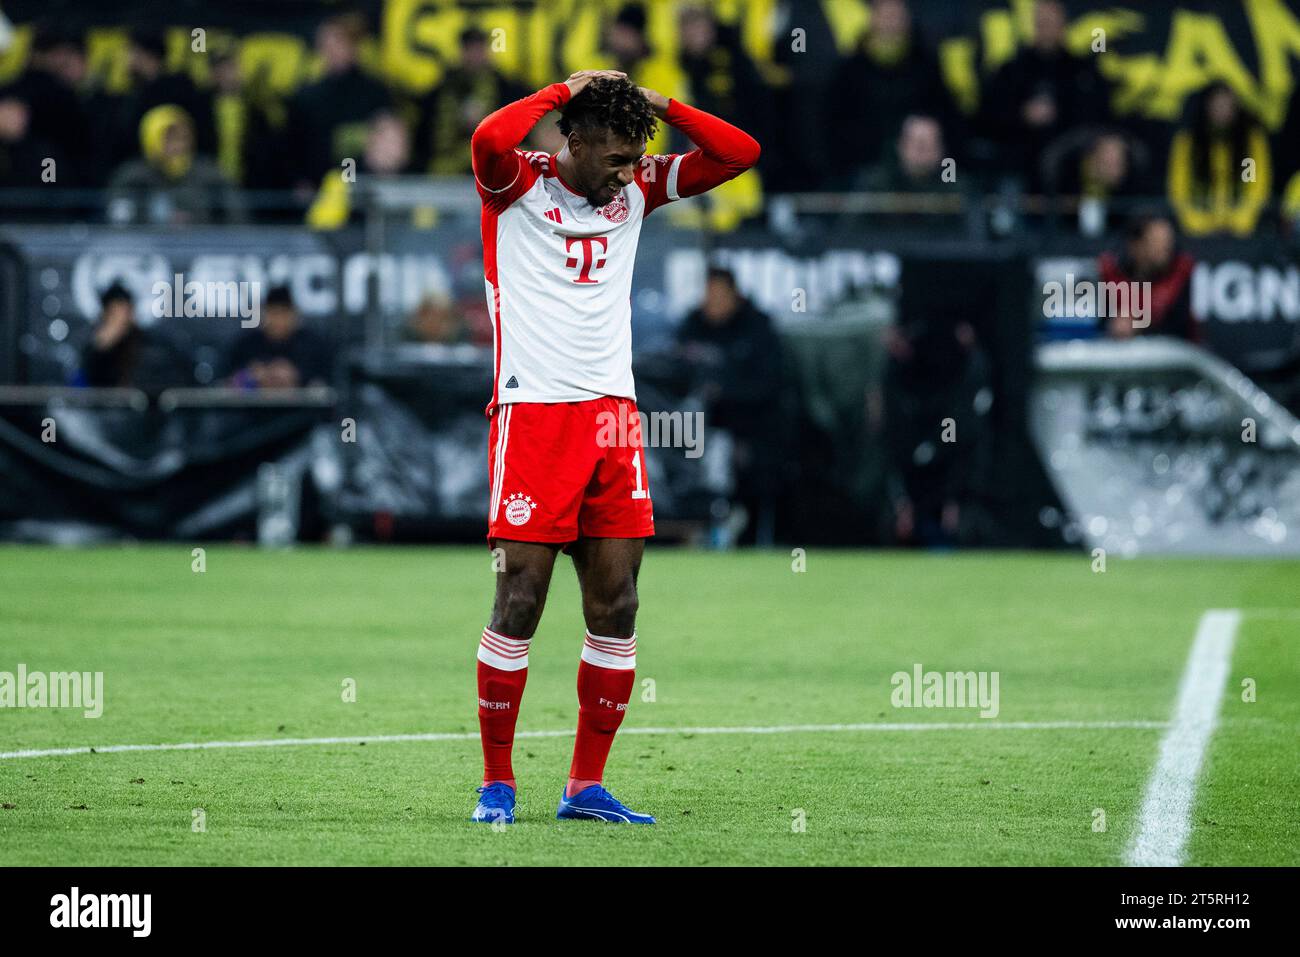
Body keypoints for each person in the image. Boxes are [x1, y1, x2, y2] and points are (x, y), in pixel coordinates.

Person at [468, 71, 759, 825]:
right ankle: (497, 782)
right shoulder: (513, 184)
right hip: (532, 416)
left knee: (619, 602)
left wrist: (662, 106)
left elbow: (740, 153)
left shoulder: (638, 189)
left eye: (638, 157)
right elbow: (487, 138)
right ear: (574, 136)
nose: (627, 172)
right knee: (520, 598)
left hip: (614, 422)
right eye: (615, 156)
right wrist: (562, 87)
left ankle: (584, 785)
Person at [676, 266, 782, 545]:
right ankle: (689, 528)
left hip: (747, 429)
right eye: (708, 294)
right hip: (690, 430)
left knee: (721, 455)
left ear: (735, 295)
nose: (712, 301)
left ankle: (728, 527)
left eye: (719, 295)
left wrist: (722, 392)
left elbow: (769, 386)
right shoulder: (692, 325)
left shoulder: (757, 327)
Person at [106, 105, 246, 225]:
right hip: (146, 248)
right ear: (151, 139)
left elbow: (237, 219)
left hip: (202, 248)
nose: (178, 146)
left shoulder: (210, 174)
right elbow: (118, 222)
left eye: (183, 139)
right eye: (169, 139)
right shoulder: (133, 177)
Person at [1167, 81, 1271, 237]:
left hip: (1242, 230)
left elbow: (1255, 183)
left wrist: (1242, 221)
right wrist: (1194, 222)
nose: (1222, 111)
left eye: (1227, 105)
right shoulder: (1188, 141)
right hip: (1196, 230)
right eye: (1217, 105)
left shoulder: (1249, 142)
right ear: (1206, 107)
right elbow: (1179, 187)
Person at [74, 283, 191, 393]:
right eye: (114, 313)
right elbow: (87, 383)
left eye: (124, 311)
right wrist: (102, 346)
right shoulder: (94, 345)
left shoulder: (150, 344)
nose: (121, 319)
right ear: (105, 314)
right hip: (104, 409)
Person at [1098, 213, 1197, 341]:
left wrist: (1138, 325)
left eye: (1168, 242)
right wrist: (1113, 324)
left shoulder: (1181, 272)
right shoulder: (1109, 272)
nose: (1166, 249)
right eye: (1156, 242)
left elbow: (1179, 327)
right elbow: (1099, 322)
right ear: (1135, 245)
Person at [223, 285, 333, 388]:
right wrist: (250, 375)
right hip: (254, 407)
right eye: (273, 313)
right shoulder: (246, 344)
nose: (278, 320)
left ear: (294, 315)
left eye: (284, 313)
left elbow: (326, 382)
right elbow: (226, 379)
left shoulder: (312, 345)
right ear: (264, 314)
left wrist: (297, 376)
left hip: (301, 408)